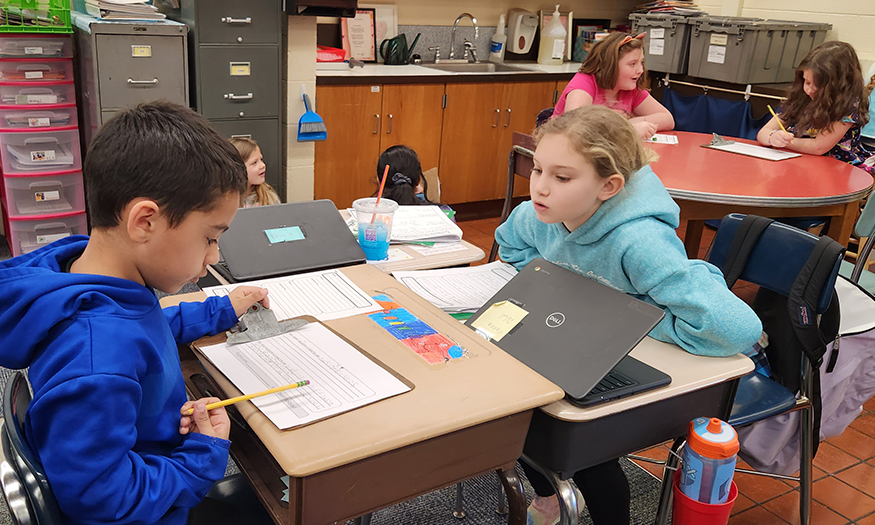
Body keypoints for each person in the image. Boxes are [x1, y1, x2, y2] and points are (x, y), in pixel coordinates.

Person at [0, 102, 273, 525]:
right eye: (209, 238)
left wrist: (218, 310)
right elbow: (102, 499)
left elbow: (144, 328)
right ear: (144, 222)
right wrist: (203, 458)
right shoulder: (96, 358)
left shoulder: (94, 282)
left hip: (159, 469)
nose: (214, 256)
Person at [494, 105, 762, 525]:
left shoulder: (640, 242)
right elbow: (511, 246)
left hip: (634, 363)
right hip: (571, 338)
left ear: (609, 186)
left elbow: (737, 328)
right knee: (519, 414)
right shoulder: (537, 216)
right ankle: (550, 498)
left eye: (562, 177)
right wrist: (557, 292)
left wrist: (637, 320)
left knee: (586, 452)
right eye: (537, 169)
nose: (540, 188)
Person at [757, 41, 873, 174]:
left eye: (818, 85)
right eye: (806, 82)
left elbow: (818, 147)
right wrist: (772, 137)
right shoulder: (801, 97)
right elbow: (763, 132)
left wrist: (787, 143)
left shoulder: (848, 106)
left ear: (839, 85)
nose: (810, 89)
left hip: (835, 172)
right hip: (797, 164)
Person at [552, 32, 674, 140]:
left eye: (641, 63)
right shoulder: (583, 84)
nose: (640, 70)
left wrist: (630, 124)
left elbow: (667, 119)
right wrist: (627, 129)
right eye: (632, 64)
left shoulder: (629, 88)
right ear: (610, 65)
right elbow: (576, 130)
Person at [374, 144, 455, 218]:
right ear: (418, 180)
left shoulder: (367, 215)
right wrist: (420, 195)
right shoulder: (445, 213)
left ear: (379, 180)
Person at [230, 137, 281, 207]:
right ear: (237, 169)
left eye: (261, 159)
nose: (263, 165)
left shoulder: (269, 197)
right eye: (254, 162)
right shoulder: (222, 203)